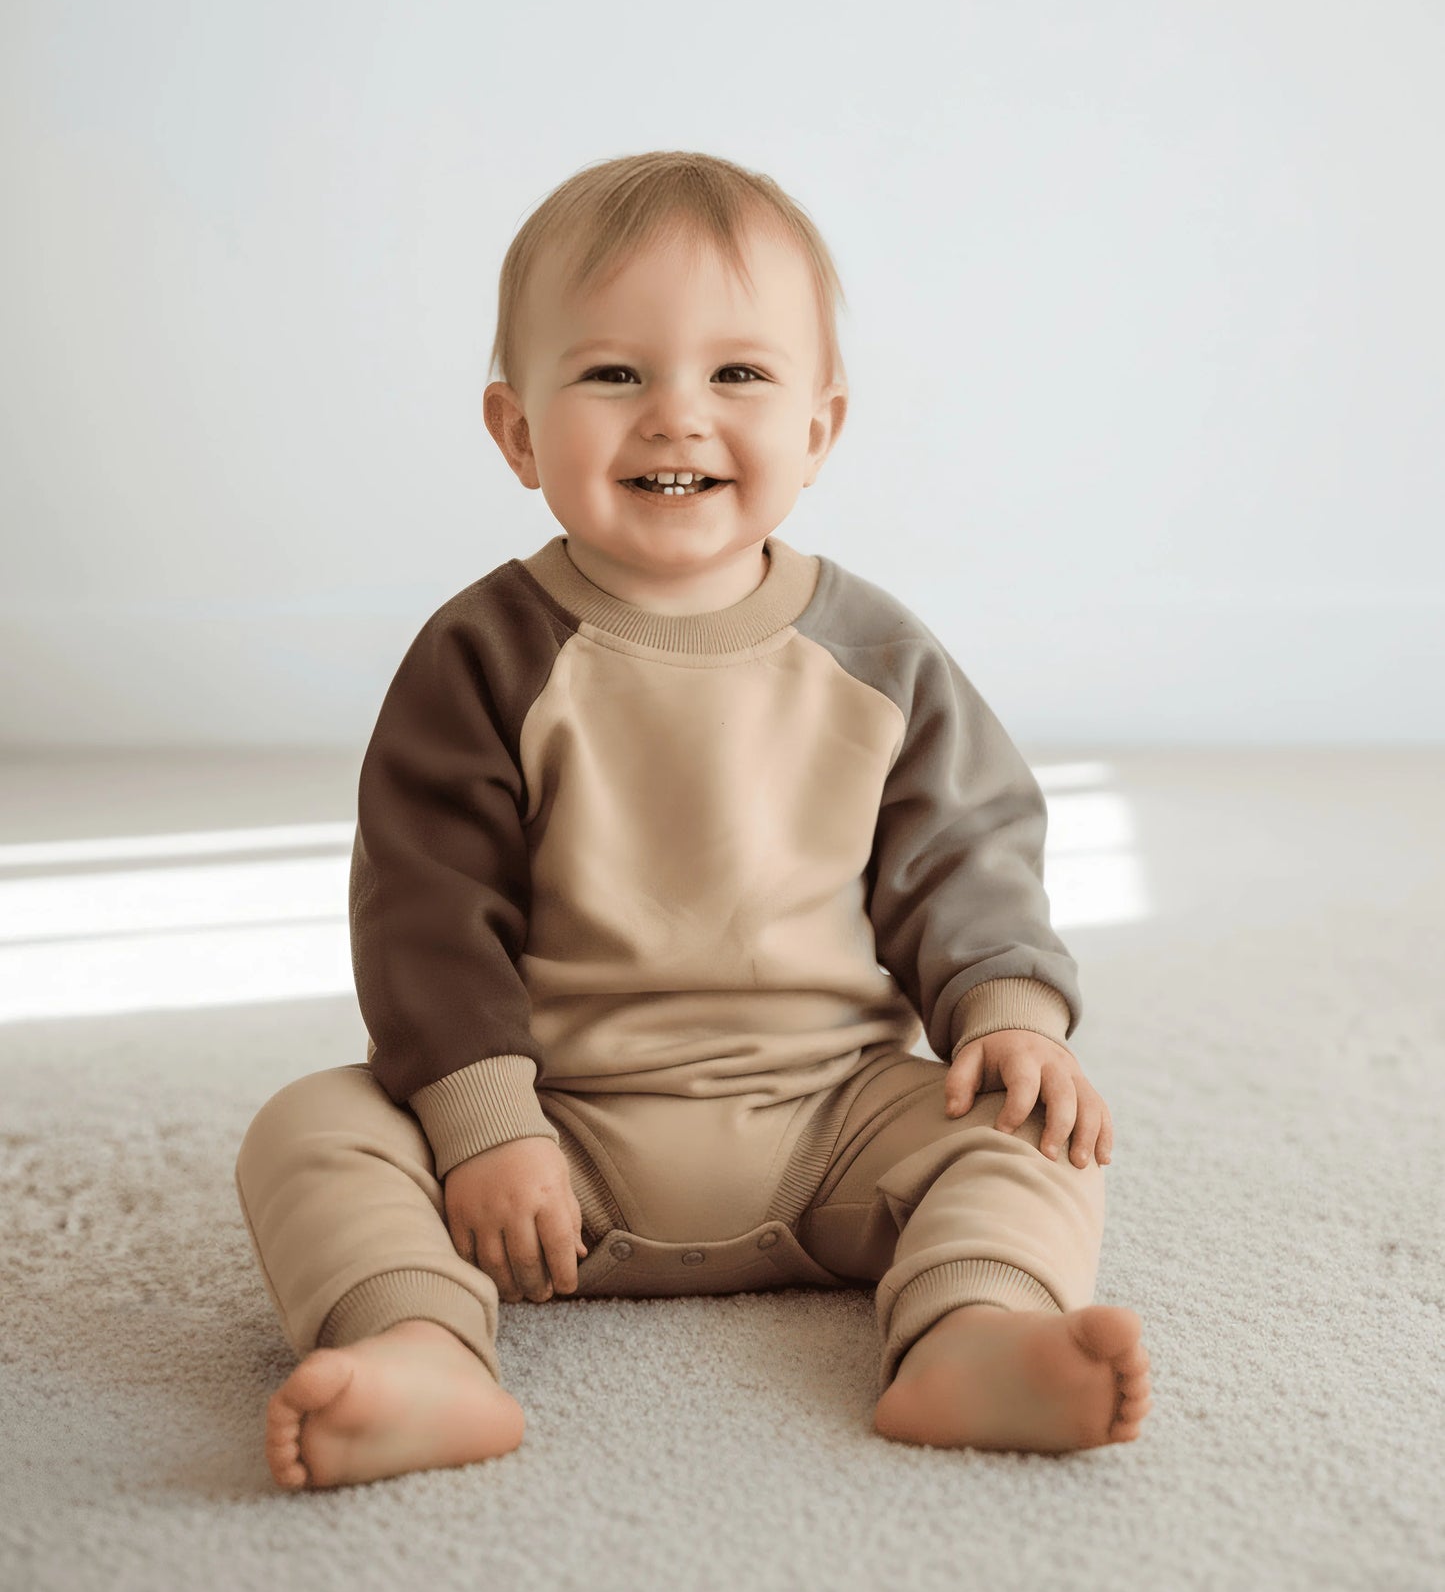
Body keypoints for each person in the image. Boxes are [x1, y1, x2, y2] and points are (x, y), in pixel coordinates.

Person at [235, 149, 1152, 1491]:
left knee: (1030, 1132)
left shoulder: (876, 653)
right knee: (310, 1130)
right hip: (555, 1140)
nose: (676, 417)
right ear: (518, 432)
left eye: (738, 375)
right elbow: (424, 909)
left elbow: (965, 858)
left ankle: (971, 1332)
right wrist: (485, 1123)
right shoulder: (483, 653)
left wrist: (1009, 1015)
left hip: (828, 1122)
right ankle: (419, 1348)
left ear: (818, 430)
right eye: (614, 374)